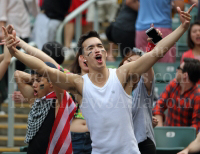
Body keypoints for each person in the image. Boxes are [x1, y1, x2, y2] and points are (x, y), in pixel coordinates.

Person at [3, 4, 196, 153]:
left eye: (99, 46)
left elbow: (156, 54)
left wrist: (182, 28)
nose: (96, 49)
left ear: (104, 52)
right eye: (90, 48)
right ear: (83, 59)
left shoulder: (121, 74)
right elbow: (44, 67)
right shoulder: (79, 82)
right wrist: (15, 52)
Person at [118, 29, 162, 154]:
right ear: (122, 63)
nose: (132, 66)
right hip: (119, 144)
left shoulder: (143, 85)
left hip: (142, 143)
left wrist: (151, 49)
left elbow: (147, 65)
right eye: (129, 61)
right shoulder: (111, 82)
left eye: (138, 64)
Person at [153, 58, 200, 133]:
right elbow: (159, 106)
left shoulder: (197, 96)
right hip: (167, 134)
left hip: (184, 139)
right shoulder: (173, 84)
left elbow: (195, 127)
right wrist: (160, 130)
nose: (176, 70)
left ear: (185, 75)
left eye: (179, 68)